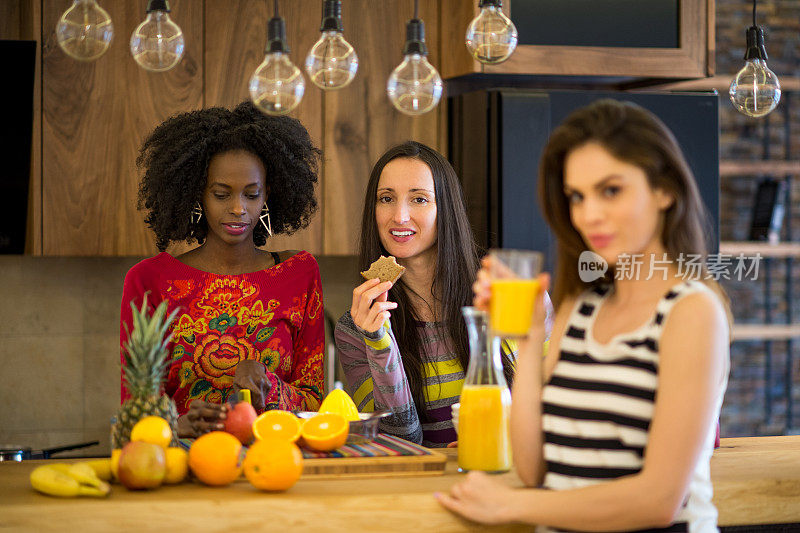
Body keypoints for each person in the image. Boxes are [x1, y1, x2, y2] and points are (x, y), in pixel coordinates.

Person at [436, 99, 731, 532]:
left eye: (611, 190)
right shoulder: (582, 306)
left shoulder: (692, 311)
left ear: (665, 190)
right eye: (577, 196)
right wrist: (529, 336)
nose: (588, 214)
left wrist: (513, 507)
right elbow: (535, 467)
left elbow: (658, 500)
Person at [120, 102, 325, 438]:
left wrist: (267, 384)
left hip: (275, 461)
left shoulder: (299, 274)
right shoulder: (150, 281)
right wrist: (176, 425)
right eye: (221, 194)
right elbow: (136, 411)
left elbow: (315, 406)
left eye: (251, 194)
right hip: (187, 468)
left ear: (266, 197)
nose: (237, 208)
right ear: (198, 194)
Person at [334, 141, 552, 448]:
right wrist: (378, 339)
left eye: (419, 199)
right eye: (386, 199)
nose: (399, 216)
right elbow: (399, 443)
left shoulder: (505, 294)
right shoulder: (355, 328)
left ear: (445, 209)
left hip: (506, 480)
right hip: (420, 491)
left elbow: (555, 410)